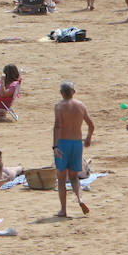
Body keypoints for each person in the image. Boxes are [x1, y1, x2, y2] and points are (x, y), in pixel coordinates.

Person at [52, 80, 94, 217]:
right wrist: (88, 138)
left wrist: (55, 146)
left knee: (62, 178)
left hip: (63, 143)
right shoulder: (80, 105)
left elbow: (58, 126)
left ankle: (63, 209)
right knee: (74, 177)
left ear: (61, 93)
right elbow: (91, 124)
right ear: (74, 92)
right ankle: (80, 198)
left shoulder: (59, 106)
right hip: (77, 143)